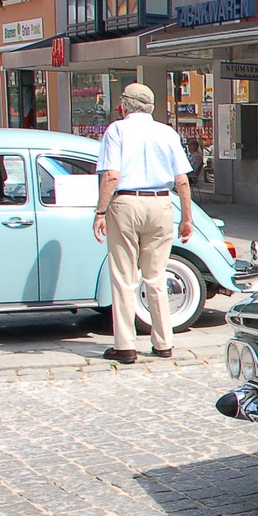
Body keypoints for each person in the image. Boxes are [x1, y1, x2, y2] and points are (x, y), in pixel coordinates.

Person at [93, 82, 194, 363]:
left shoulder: (117, 130)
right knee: (156, 276)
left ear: (125, 105)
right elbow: (182, 180)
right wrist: (187, 218)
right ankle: (163, 342)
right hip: (161, 203)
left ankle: (125, 345)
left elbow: (111, 175)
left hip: (126, 202)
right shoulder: (167, 132)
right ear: (150, 107)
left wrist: (100, 212)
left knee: (124, 277)